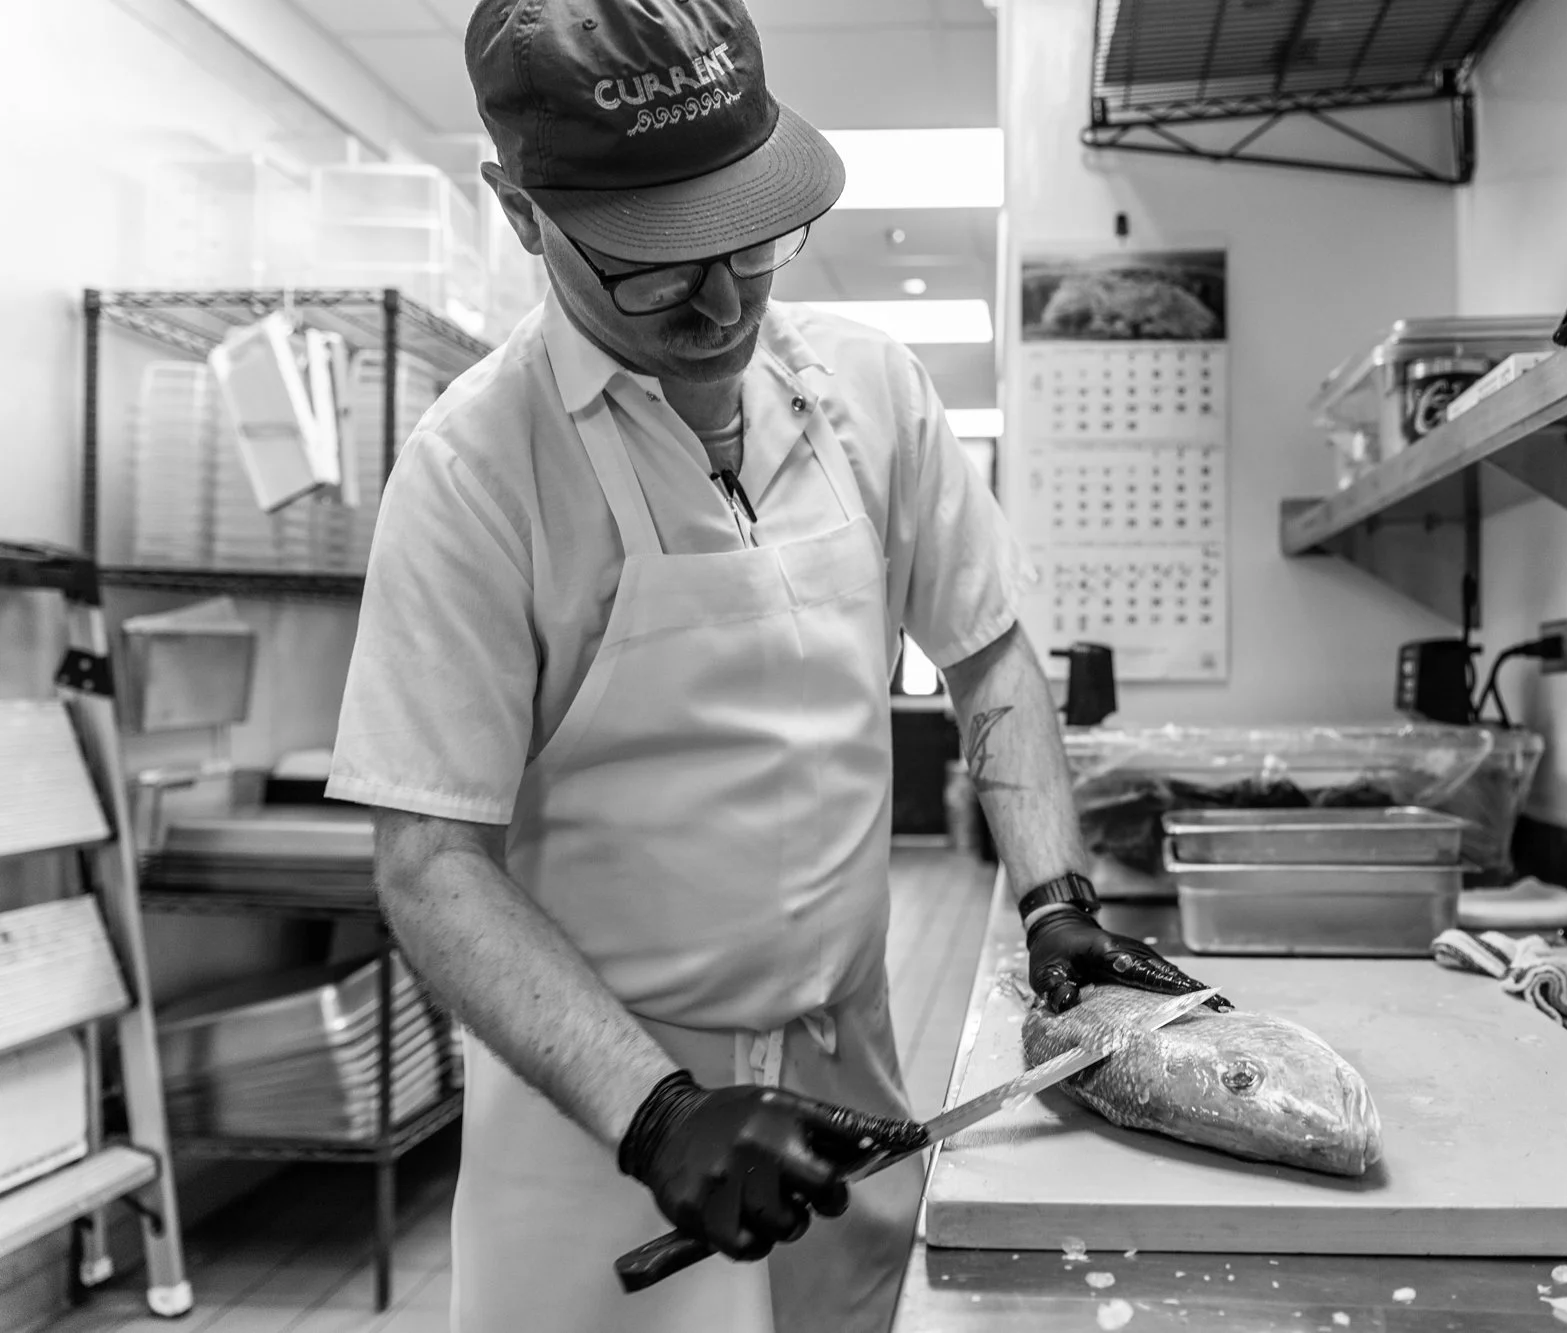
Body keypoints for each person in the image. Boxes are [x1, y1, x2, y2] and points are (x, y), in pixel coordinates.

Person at [326, 0, 1224, 1329]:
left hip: (844, 1066)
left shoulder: (868, 391)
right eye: (655, 260)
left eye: (750, 236)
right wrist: (660, 1118)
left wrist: (1058, 903)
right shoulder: (475, 472)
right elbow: (429, 865)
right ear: (520, 210)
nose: (726, 292)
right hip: (605, 1118)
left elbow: (988, 661)